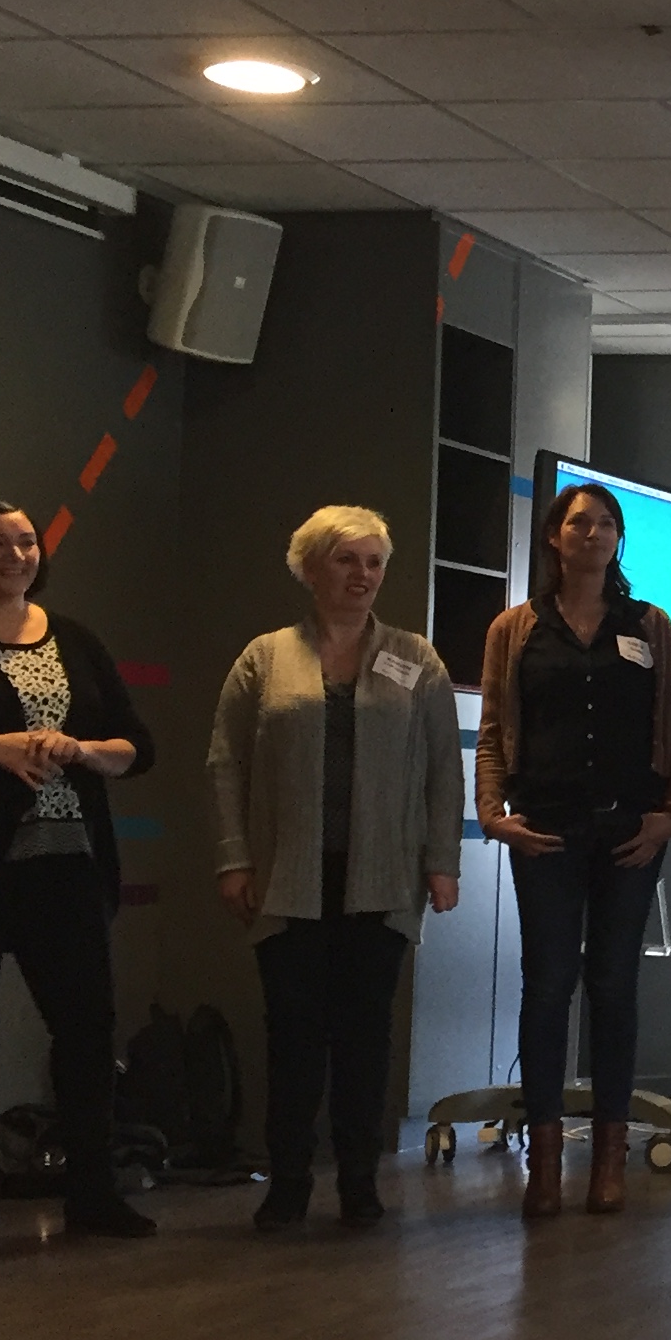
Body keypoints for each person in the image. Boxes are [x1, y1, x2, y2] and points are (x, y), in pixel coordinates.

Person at [0, 501, 158, 1253]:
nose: (16, 555)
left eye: (26, 541)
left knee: (86, 1031)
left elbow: (135, 748)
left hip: (66, 866)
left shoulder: (75, 639)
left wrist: (82, 751)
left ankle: (93, 1192)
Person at [210, 504, 463, 1231]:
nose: (363, 574)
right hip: (287, 878)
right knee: (292, 1037)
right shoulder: (265, 657)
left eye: (374, 562)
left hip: (381, 880)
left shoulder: (416, 658)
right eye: (347, 559)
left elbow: (444, 770)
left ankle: (359, 1181)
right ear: (311, 567)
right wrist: (233, 858)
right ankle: (288, 1183)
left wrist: (441, 862)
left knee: (365, 1038)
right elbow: (226, 763)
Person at [474, 483, 671, 1222]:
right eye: (580, 523)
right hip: (545, 831)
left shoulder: (650, 625)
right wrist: (492, 817)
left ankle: (608, 1161)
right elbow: (495, 732)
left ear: (618, 540)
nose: (594, 534)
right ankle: (543, 1165)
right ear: (554, 536)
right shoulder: (515, 629)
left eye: (606, 524)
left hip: (631, 833)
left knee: (614, 986)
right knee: (546, 986)